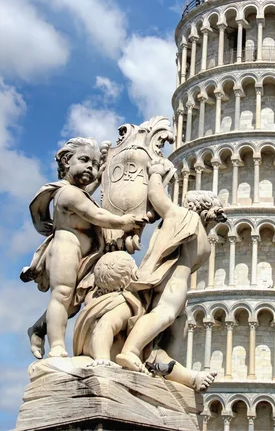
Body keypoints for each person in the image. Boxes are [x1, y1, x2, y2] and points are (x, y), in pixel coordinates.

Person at [21, 137, 144, 359]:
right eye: (85, 160)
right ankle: (57, 345)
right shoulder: (67, 193)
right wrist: (125, 221)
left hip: (87, 255)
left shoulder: (78, 191)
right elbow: (96, 214)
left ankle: (39, 328)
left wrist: (103, 172)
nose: (91, 167)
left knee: (73, 303)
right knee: (62, 294)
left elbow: (87, 192)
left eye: (95, 164)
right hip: (66, 249)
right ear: (67, 161)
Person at [115, 158, 226, 390]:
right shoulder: (185, 218)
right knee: (164, 315)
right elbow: (158, 197)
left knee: (176, 326)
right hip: (172, 281)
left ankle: (164, 368)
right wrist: (155, 173)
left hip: (178, 285)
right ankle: (130, 350)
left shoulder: (200, 232)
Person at [73, 251, 145, 365]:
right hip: (102, 356)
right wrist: (102, 357)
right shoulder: (121, 304)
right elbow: (105, 325)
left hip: (86, 353)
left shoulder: (95, 300)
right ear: (129, 276)